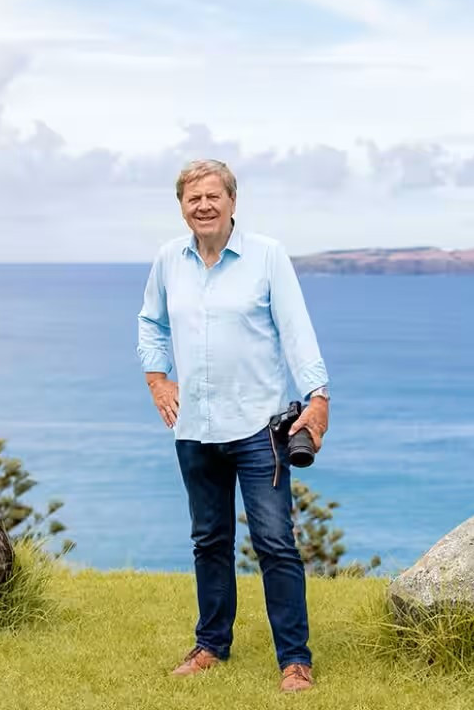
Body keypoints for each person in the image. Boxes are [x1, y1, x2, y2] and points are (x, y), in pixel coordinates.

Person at [137, 159, 331, 693]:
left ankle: (295, 659)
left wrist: (318, 395)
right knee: (209, 540)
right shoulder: (167, 261)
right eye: (193, 198)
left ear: (232, 202)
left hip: (258, 428)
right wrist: (158, 381)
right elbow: (150, 321)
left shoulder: (267, 256)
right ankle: (210, 645)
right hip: (194, 426)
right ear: (182, 205)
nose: (203, 205)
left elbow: (296, 330)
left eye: (212, 196)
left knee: (275, 542)